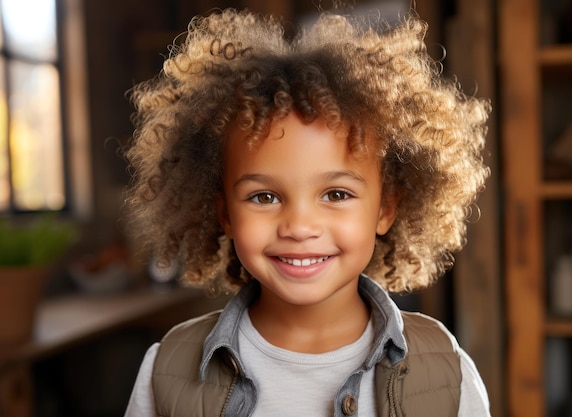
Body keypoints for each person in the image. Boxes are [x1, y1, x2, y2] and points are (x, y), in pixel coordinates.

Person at [123, 5, 491, 417]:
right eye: (264, 197)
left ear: (386, 208)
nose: (299, 227)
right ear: (224, 212)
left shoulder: (444, 372)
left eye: (336, 194)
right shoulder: (168, 371)